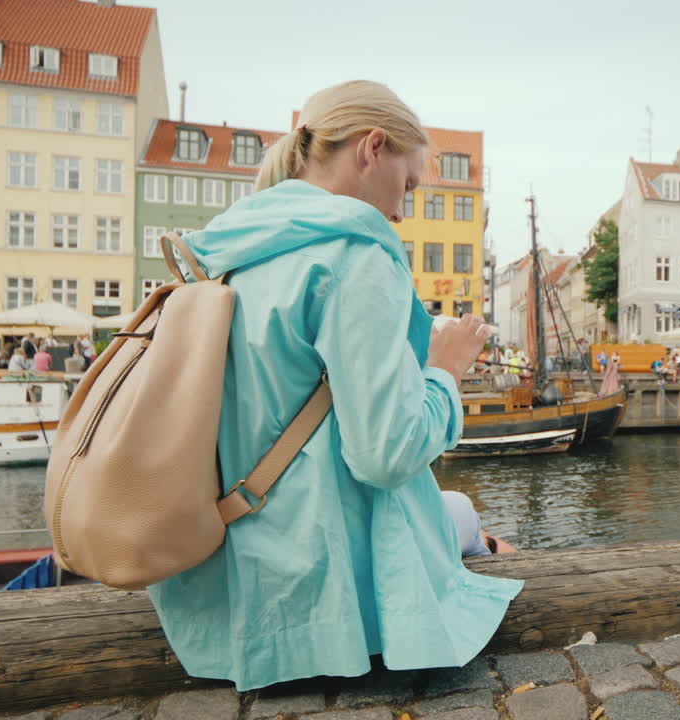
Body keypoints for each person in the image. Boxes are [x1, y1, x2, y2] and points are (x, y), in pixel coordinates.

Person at [145, 81, 523, 693]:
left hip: (227, 584)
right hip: (319, 600)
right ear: (372, 148)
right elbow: (385, 454)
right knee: (461, 517)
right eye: (408, 185)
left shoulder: (232, 248)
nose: (401, 211)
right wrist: (444, 372)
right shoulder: (355, 257)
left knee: (458, 513)